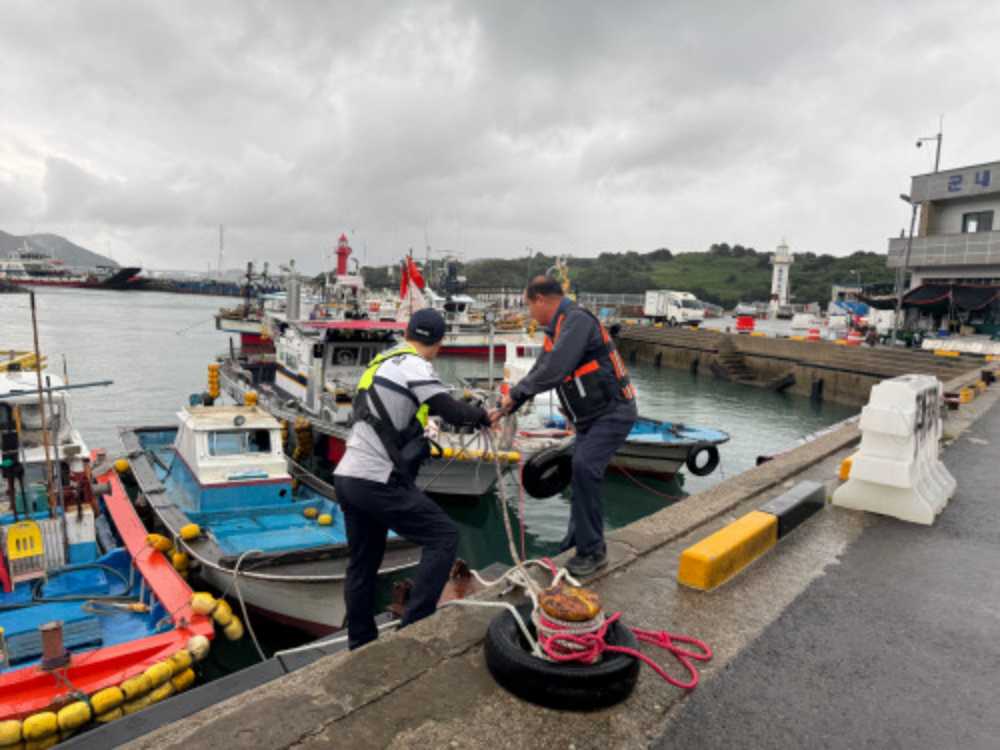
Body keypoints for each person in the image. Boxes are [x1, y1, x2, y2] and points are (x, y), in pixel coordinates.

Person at [334, 308, 490, 649]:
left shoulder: (380, 362)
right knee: (444, 536)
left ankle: (360, 644)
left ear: (407, 332)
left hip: (347, 476)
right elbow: (449, 410)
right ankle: (414, 626)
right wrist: (483, 415)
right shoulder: (416, 364)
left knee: (362, 565)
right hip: (376, 479)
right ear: (439, 342)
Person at [498, 276, 638, 577]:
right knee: (579, 471)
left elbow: (556, 369)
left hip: (613, 413)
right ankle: (576, 541)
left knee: (586, 468)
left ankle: (593, 552)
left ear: (541, 300)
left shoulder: (577, 321)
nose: (529, 313)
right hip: (590, 418)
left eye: (528, 305)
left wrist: (520, 393)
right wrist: (512, 403)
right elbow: (541, 368)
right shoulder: (556, 329)